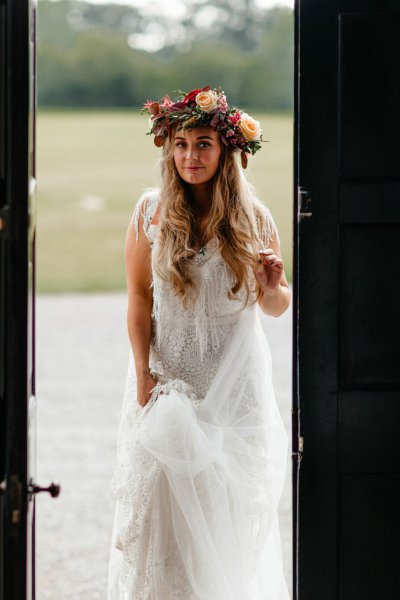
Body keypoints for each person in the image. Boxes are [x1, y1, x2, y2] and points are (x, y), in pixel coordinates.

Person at [107, 86, 291, 600]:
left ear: (227, 150)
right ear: (169, 148)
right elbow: (139, 301)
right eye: (182, 144)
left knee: (226, 519)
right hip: (171, 385)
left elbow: (274, 307)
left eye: (204, 143)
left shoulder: (256, 219)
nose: (191, 155)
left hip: (236, 392)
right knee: (165, 528)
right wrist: (144, 373)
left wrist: (274, 284)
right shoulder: (150, 212)